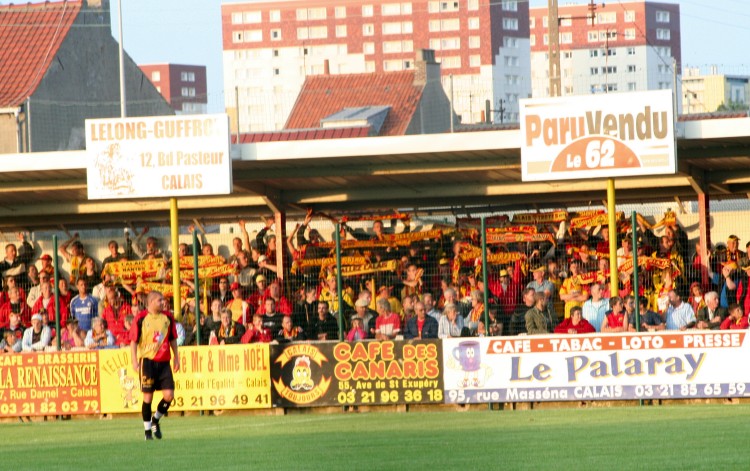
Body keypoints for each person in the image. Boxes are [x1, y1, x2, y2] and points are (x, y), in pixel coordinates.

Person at [130, 291, 180, 441]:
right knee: (148, 397)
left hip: (164, 362)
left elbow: (172, 339)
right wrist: (134, 360)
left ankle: (155, 420)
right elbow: (133, 341)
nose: (163, 302)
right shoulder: (141, 318)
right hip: (148, 362)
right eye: (160, 300)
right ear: (151, 302)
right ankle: (147, 432)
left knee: (169, 395)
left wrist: (176, 357)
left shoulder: (168, 318)